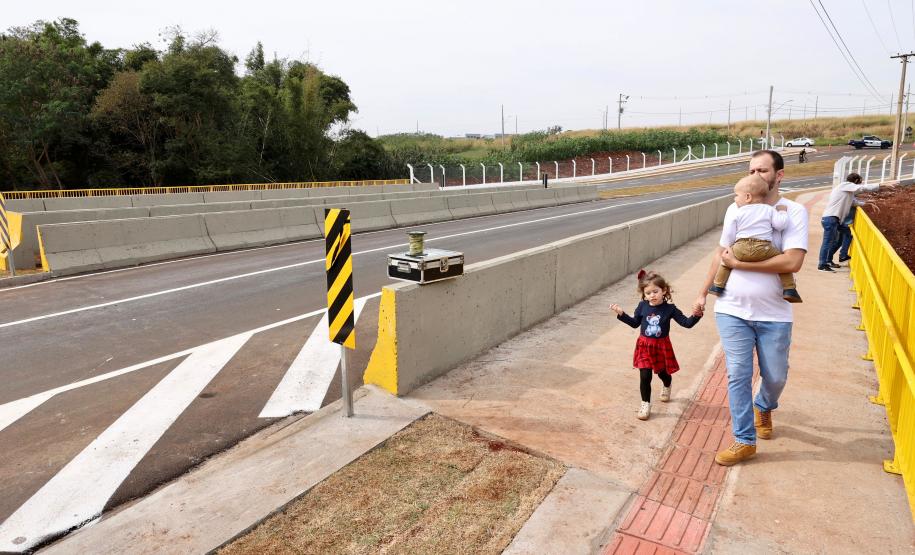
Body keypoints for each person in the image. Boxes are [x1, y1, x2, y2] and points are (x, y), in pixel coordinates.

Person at [695, 150, 808, 467]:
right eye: (751, 170)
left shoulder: (792, 212)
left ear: (779, 175)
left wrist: (739, 262)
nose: (756, 174)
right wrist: (703, 293)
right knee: (738, 375)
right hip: (732, 309)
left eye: (762, 169)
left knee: (775, 376)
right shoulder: (736, 207)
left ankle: (765, 404)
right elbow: (722, 253)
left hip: (775, 314)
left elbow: (792, 261)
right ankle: (744, 440)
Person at [611, 270, 703, 421]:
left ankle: (667, 384)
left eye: (655, 291)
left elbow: (686, 323)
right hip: (644, 346)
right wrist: (621, 314)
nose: (652, 295)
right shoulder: (642, 306)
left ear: (664, 290)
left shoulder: (670, 309)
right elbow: (635, 324)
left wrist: (697, 315)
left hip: (661, 347)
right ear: (644, 294)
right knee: (645, 376)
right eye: (648, 293)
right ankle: (645, 404)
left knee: (662, 373)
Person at [708, 174, 801, 303]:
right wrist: (782, 211)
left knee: (726, 261)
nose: (735, 199)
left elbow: (729, 234)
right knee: (781, 262)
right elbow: (781, 225)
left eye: (736, 195)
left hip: (741, 247)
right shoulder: (769, 210)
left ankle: (718, 285)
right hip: (764, 248)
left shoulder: (737, 212)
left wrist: (729, 248)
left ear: (747, 197)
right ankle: (789, 288)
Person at [817, 172, 888, 271]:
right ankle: (822, 264)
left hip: (834, 220)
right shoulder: (845, 186)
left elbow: (854, 202)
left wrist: (868, 203)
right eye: (858, 183)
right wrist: (880, 185)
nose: (858, 185)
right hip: (831, 219)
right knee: (828, 242)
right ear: (855, 181)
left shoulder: (847, 191)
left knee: (848, 233)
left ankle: (832, 259)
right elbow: (862, 188)